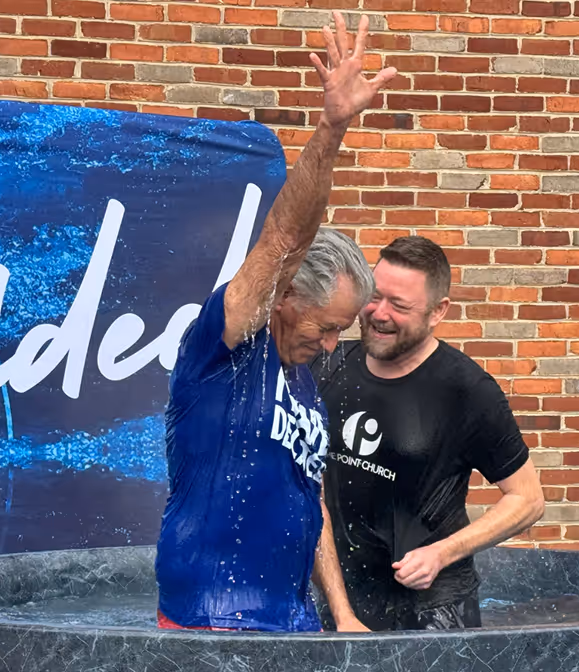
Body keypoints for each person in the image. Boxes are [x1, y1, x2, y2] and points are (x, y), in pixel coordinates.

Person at [154, 12, 397, 633]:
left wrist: (340, 613)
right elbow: (286, 236)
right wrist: (332, 128)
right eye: (328, 325)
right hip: (211, 628)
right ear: (286, 295)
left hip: (295, 625)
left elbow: (307, 497)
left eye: (343, 330)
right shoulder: (226, 346)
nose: (334, 342)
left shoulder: (305, 380)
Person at [311, 235, 546, 631]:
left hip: (432, 614)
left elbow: (528, 499)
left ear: (438, 312)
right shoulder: (330, 366)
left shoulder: (466, 390)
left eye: (399, 305)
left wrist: (441, 553)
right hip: (342, 604)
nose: (378, 314)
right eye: (374, 296)